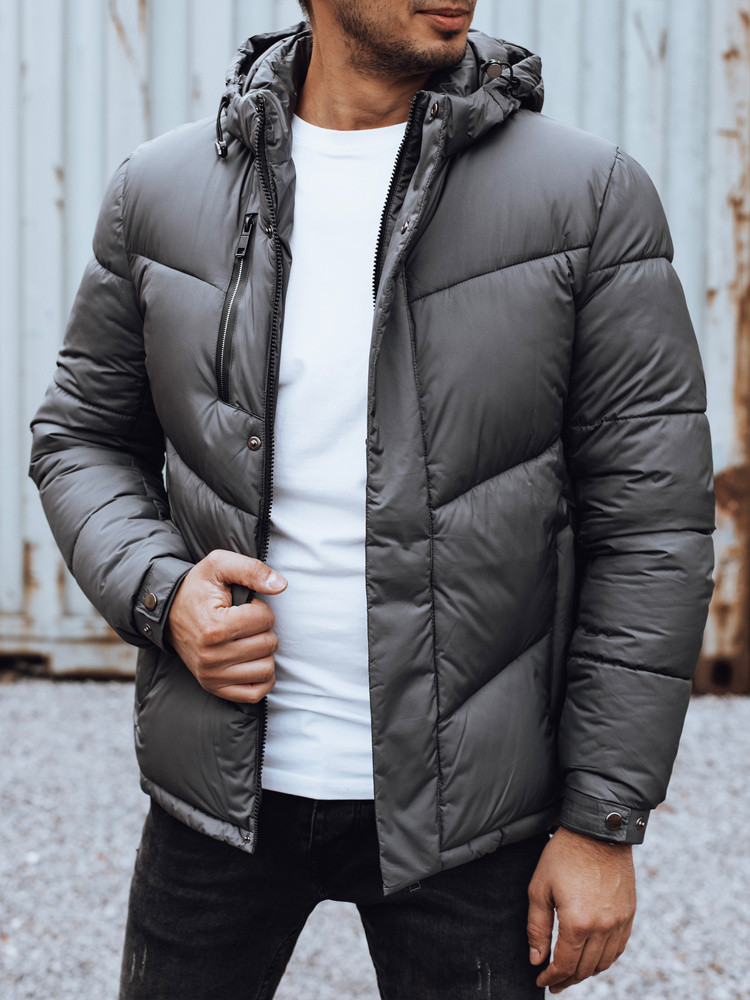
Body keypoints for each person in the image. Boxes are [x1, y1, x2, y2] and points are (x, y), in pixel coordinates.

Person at [28, 2, 715, 997]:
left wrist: (602, 821)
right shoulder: (161, 190)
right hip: (217, 795)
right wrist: (163, 593)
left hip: (475, 816)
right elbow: (80, 437)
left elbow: (651, 525)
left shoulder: (587, 196)